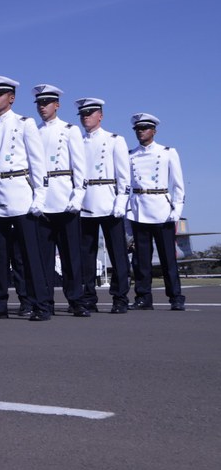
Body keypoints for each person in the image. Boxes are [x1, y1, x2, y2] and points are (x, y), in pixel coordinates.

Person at [0, 76, 50, 320]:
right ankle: (0, 303)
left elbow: (38, 164)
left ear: (11, 98)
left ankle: (40, 304)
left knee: (30, 255)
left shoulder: (25, 123)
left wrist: (39, 198)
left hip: (20, 193)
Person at [33, 84, 88, 316]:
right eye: (39, 103)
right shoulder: (34, 131)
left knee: (71, 256)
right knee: (43, 259)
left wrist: (78, 196)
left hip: (65, 197)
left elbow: (80, 167)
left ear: (57, 105)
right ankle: (45, 303)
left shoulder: (69, 130)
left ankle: (76, 300)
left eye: (47, 103)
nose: (42, 107)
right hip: (43, 200)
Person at [76, 97, 131, 314]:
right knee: (87, 256)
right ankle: (89, 296)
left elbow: (124, 177)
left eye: (90, 113)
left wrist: (121, 202)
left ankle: (120, 297)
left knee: (118, 254)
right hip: (85, 202)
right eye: (82, 114)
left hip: (109, 200)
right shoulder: (78, 141)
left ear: (101, 115)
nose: (85, 117)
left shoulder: (114, 140)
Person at [125, 113, 186, 311]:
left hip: (162, 209)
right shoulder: (130, 155)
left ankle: (176, 297)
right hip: (139, 209)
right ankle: (143, 297)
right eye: (138, 128)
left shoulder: (167, 152)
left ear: (154, 130)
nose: (141, 131)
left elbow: (178, 185)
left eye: (145, 128)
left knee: (168, 259)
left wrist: (177, 209)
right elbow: (126, 186)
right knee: (141, 261)